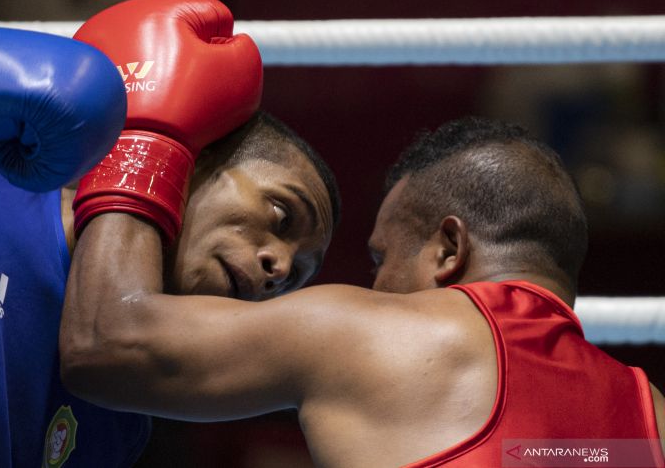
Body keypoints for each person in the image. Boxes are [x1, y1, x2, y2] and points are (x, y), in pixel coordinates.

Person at [0, 0, 340, 466]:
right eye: (281, 216)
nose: (278, 267)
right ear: (200, 156)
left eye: (295, 277)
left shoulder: (119, 418)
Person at [61, 116, 665, 467]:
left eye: (382, 257)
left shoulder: (373, 334)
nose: (373, 283)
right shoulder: (653, 414)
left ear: (448, 252)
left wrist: (145, 136)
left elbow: (104, 343)